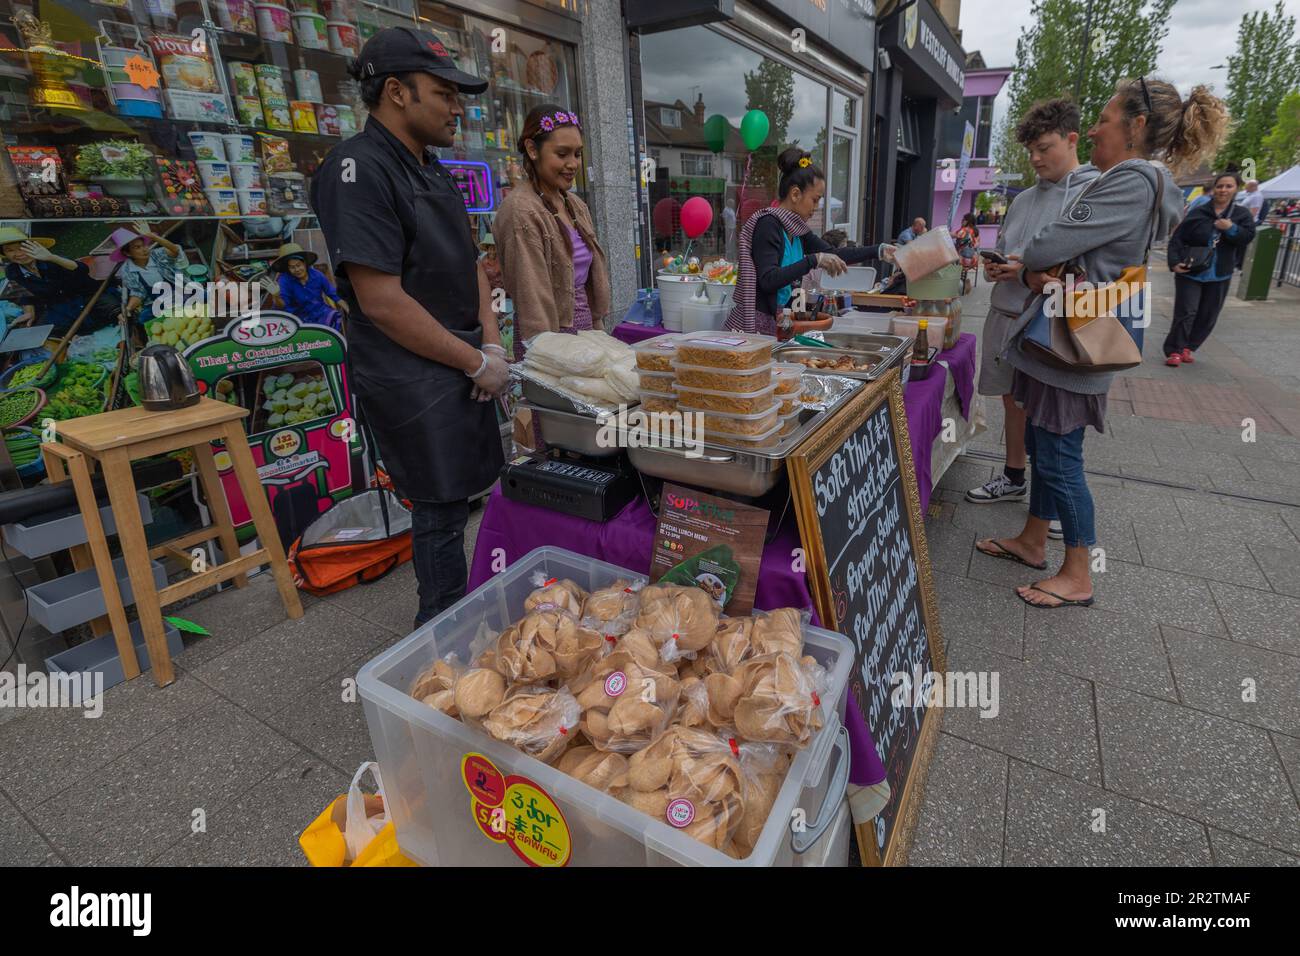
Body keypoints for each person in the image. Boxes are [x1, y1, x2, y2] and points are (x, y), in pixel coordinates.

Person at [975, 77, 1226, 610]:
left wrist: (1039, 267)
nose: (1093, 128)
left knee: (1060, 458)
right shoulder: (1139, 180)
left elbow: (1047, 244)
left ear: (1136, 126)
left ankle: (1078, 572)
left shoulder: (1131, 181)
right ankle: (1033, 540)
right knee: (1045, 448)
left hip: (1074, 347)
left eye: (1105, 119)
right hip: (1069, 338)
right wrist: (1041, 269)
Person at [311, 26, 508, 627]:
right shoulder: (356, 169)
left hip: (463, 359)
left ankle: (464, 618)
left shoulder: (435, 169)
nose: (457, 107)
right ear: (396, 91)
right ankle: (441, 635)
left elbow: (472, 264)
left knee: (467, 499)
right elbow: (383, 301)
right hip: (410, 373)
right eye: (445, 93)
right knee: (440, 509)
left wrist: (492, 343)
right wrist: (472, 361)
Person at [967, 99, 1098, 516]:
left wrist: (1028, 274)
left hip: (1048, 326)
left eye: (1044, 148)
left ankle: (1055, 503)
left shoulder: (1091, 193)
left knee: (1051, 418)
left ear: (1071, 139)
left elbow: (1087, 271)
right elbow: (1009, 251)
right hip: (1005, 315)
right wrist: (997, 268)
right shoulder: (1023, 200)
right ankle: (1014, 475)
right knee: (1011, 401)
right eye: (1031, 152)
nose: (1036, 158)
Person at [725, 148, 894, 335]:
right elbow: (768, 280)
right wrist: (813, 260)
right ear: (796, 194)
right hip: (755, 327)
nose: (816, 208)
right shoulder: (768, 224)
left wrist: (879, 251)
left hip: (781, 323)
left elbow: (833, 253)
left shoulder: (796, 230)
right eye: (815, 200)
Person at [494, 104, 611, 361]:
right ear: (532, 149)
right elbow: (530, 295)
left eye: (578, 154)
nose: (572, 164)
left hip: (585, 333)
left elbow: (590, 279)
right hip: (547, 341)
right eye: (562, 154)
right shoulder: (520, 211)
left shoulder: (574, 204)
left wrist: (597, 328)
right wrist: (548, 356)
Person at [1163, 171, 1256, 366]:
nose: (1223, 190)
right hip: (1190, 270)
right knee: (1186, 311)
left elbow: (1247, 237)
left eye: (1228, 186)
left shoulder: (1241, 214)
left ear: (1236, 189)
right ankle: (1175, 350)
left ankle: (1190, 346)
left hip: (1220, 273)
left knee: (1208, 314)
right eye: (1220, 186)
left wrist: (1231, 228)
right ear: (1214, 188)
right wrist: (1174, 263)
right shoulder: (1199, 212)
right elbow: (1177, 239)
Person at [0, 227, 120, 333]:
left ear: (33, 246)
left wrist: (52, 258)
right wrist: (29, 312)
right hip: (58, 307)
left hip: (87, 296)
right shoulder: (12, 270)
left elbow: (82, 269)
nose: (19, 254)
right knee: (43, 330)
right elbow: (24, 295)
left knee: (116, 312)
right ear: (5, 254)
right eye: (10, 250)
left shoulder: (51, 258)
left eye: (22, 247)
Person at [110, 223, 187, 322]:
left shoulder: (156, 254)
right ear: (127, 253)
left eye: (144, 245)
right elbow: (138, 293)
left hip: (179, 293)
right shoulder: (127, 270)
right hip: (159, 302)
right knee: (143, 318)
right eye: (137, 247)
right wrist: (128, 309)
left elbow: (175, 250)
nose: (144, 250)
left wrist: (153, 237)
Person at [270, 242, 347, 331]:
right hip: (296, 316)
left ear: (305, 263)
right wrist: (276, 296)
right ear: (288, 269)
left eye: (298, 265)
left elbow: (333, 294)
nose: (297, 270)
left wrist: (349, 310)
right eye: (292, 267)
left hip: (318, 312)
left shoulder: (318, 275)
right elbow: (282, 306)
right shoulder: (284, 280)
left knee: (336, 317)